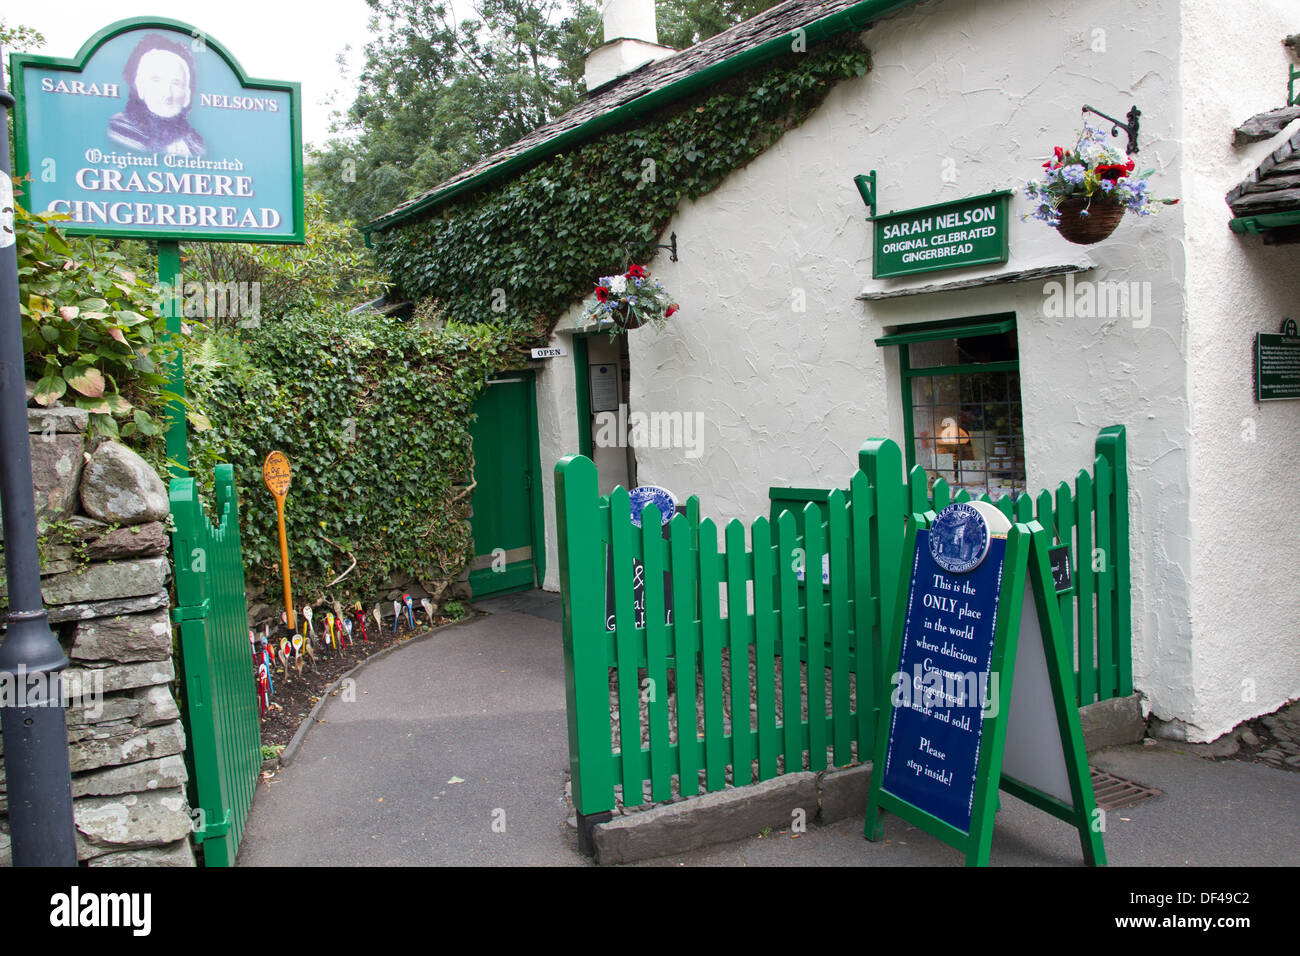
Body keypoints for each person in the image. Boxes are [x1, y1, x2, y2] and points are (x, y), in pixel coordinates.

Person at [106, 34, 206, 158]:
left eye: (176, 83)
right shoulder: (118, 130)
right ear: (140, 88)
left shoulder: (196, 145)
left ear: (187, 96)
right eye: (156, 80)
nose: (167, 94)